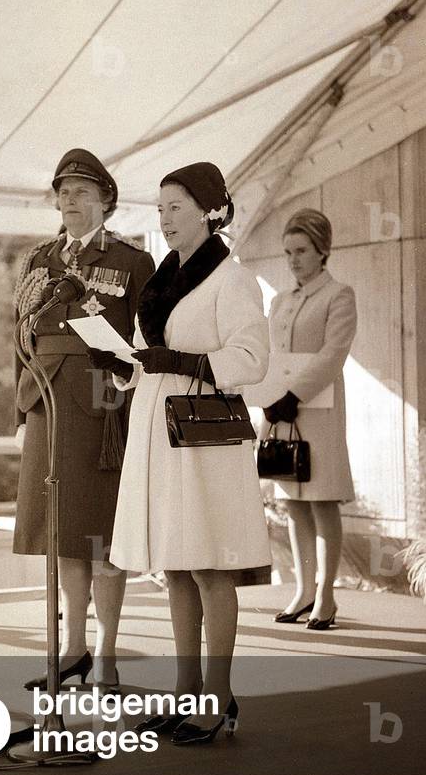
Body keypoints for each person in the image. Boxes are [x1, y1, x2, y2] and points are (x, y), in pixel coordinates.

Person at [107, 162, 270, 744]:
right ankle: (186, 694)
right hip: (159, 429)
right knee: (175, 563)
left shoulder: (232, 277)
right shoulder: (163, 278)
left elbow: (252, 358)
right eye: (159, 209)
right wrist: (123, 363)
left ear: (206, 209)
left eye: (175, 207)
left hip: (203, 438)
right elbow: (151, 353)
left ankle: (218, 695)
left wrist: (184, 363)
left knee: (207, 565)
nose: (165, 218)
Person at [13, 148, 155, 688]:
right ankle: (72, 648)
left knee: (101, 536)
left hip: (102, 410)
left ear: (106, 201)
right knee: (63, 536)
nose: (69, 200)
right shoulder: (38, 260)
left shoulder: (132, 261)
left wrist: (130, 385)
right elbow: (20, 337)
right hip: (44, 403)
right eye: (63, 192)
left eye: (81, 192)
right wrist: (19, 408)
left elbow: (147, 339)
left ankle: (108, 652)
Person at [266, 209, 356, 631]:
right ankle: (303, 589)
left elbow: (332, 354)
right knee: (292, 503)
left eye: (301, 250)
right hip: (282, 413)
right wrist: (268, 396)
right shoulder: (279, 302)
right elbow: (269, 355)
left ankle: (326, 595)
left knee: (321, 501)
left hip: (316, 412)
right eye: (287, 252)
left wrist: (292, 394)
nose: (293, 260)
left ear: (322, 250)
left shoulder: (339, 295)